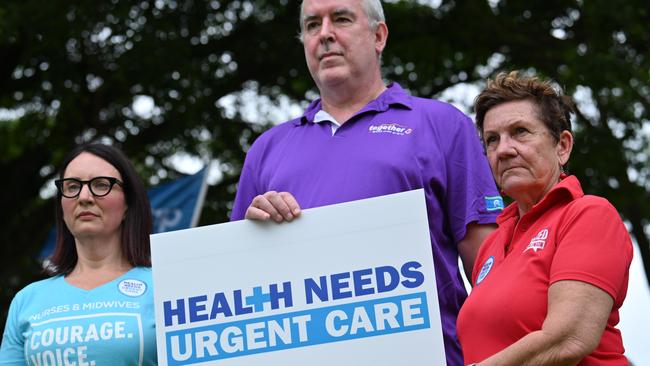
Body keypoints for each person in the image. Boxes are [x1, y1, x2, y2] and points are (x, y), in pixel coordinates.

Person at [231, 0, 502, 364]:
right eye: (312, 26)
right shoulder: (267, 149)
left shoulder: (442, 125)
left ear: (379, 35)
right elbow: (237, 288)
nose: (325, 34)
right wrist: (251, 236)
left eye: (341, 19)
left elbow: (490, 272)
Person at [456, 71, 633, 365]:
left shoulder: (588, 214)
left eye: (520, 132)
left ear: (562, 146)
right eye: (491, 140)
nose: (504, 150)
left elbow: (569, 338)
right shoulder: (492, 243)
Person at [0, 143, 157, 365]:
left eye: (101, 184)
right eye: (72, 187)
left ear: (128, 205)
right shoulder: (26, 301)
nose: (84, 197)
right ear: (61, 207)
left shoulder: (164, 288)